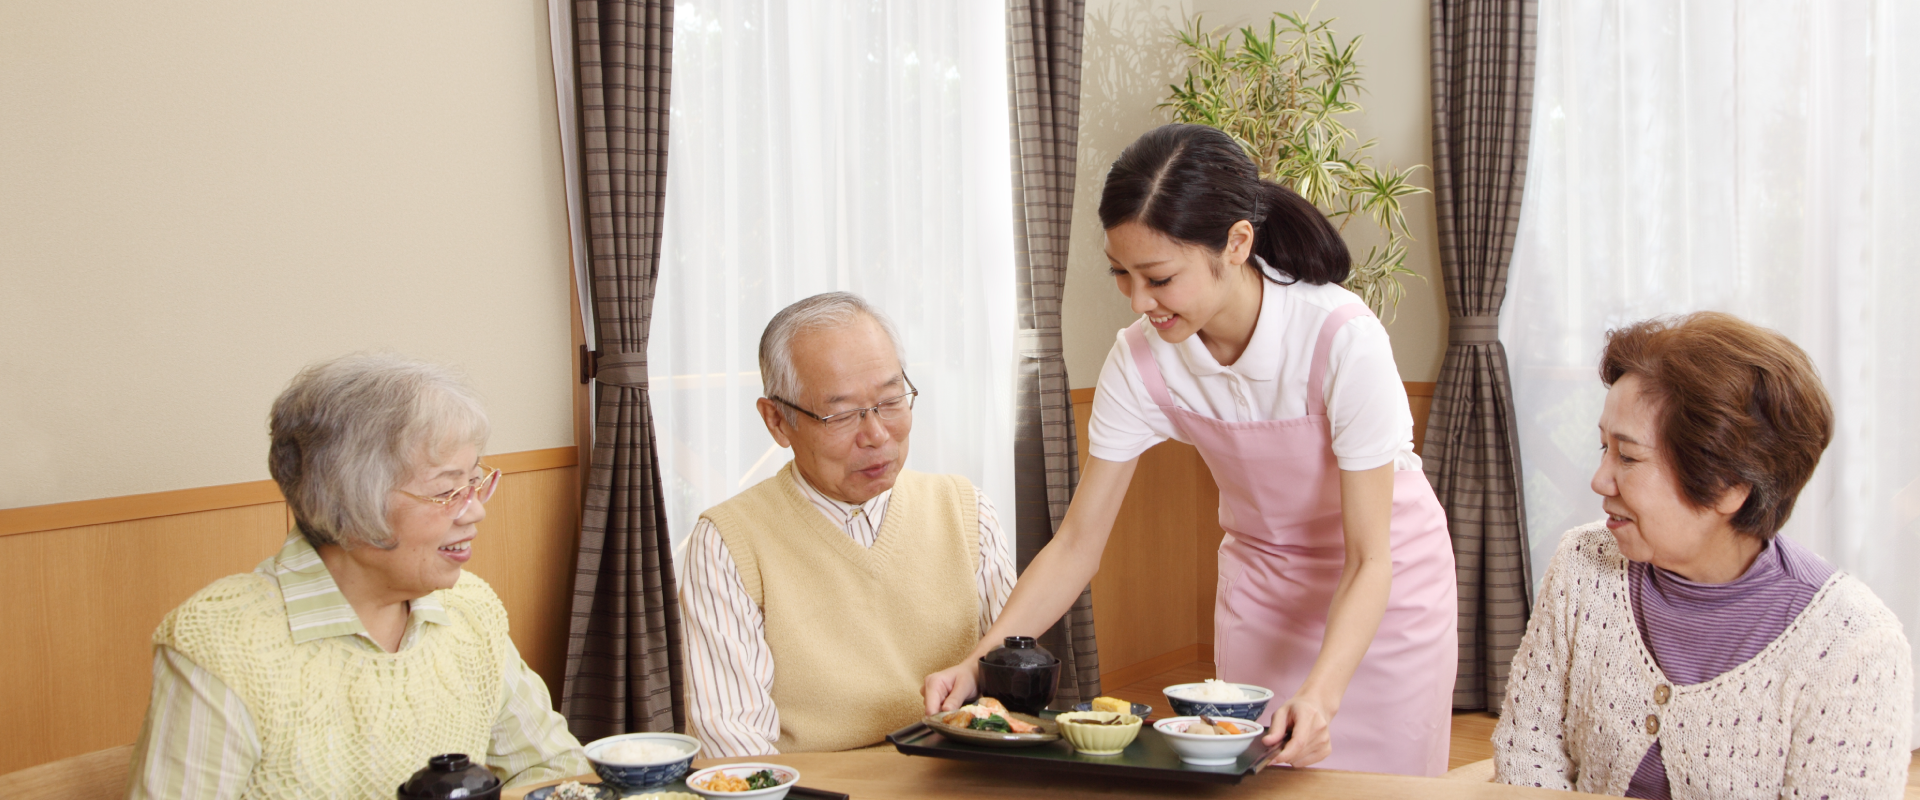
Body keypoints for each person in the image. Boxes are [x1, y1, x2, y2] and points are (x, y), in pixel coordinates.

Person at [924, 123, 1458, 775]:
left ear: (1237, 243)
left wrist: (1320, 696)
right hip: (1262, 587)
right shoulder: (1143, 359)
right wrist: (979, 662)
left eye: (1159, 277)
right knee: (1254, 780)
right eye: (1121, 275)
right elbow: (1076, 545)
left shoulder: (1340, 338)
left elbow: (1372, 555)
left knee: (1381, 787)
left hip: (1385, 590)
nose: (1140, 301)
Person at [126, 354, 587, 798]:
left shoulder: (467, 609)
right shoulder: (223, 644)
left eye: (474, 482)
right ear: (350, 504)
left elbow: (554, 773)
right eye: (447, 491)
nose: (477, 511)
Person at [1494, 312, 1911, 798]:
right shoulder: (1582, 563)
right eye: (1602, 447)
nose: (1599, 480)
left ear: (1729, 485)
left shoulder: (1854, 647)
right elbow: (1528, 747)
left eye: (1628, 457)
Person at [681, 292, 1016, 756]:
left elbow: (1018, 691)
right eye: (840, 415)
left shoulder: (966, 511)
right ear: (777, 421)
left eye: (891, 400)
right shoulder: (727, 543)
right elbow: (737, 752)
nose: (877, 435)